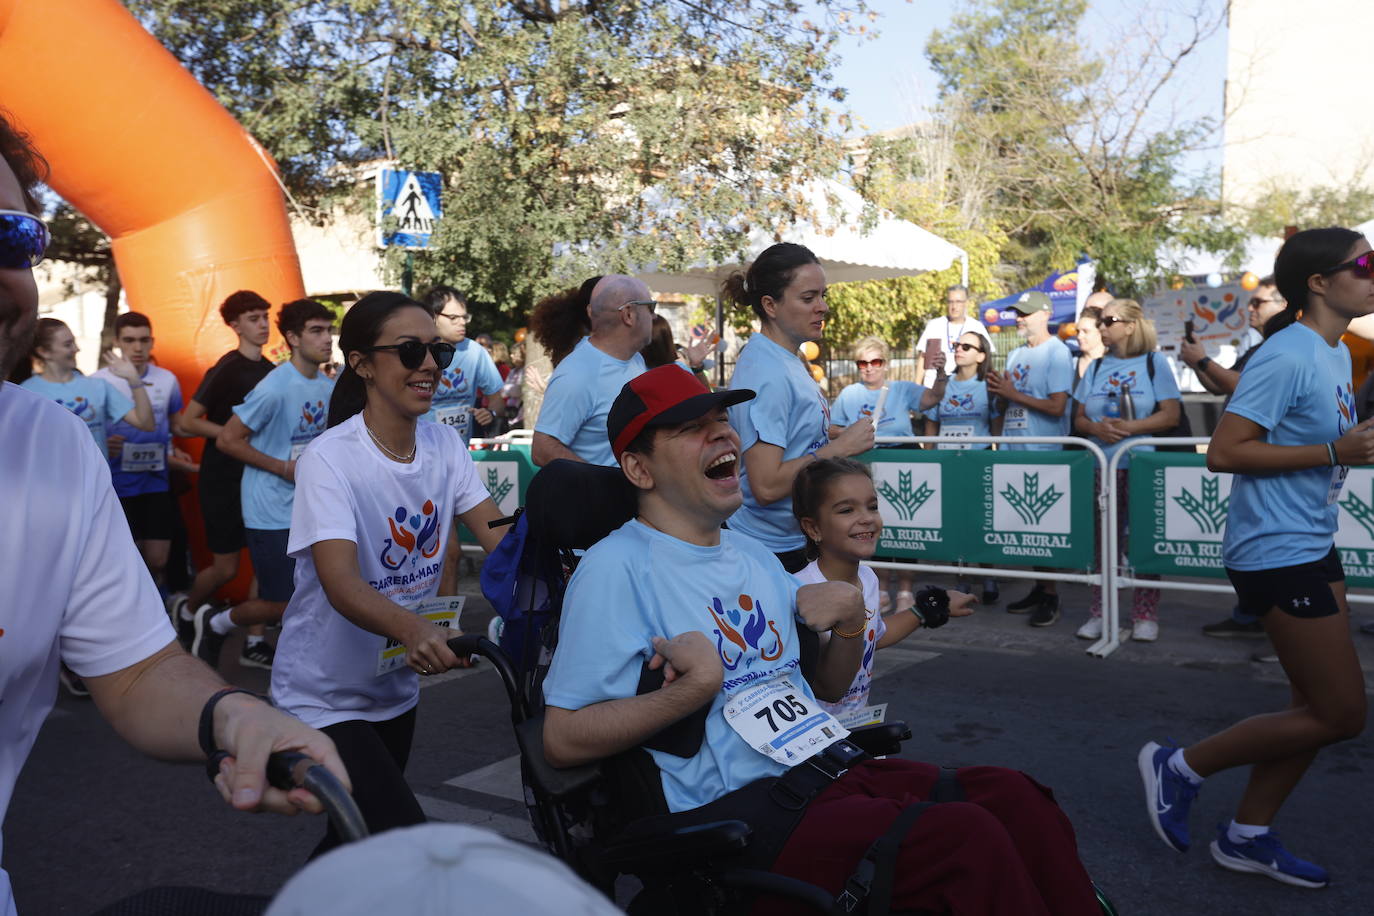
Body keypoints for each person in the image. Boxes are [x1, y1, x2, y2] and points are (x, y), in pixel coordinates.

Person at [541, 365, 1100, 915]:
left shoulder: (756, 557)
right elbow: (562, 740)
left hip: (827, 767)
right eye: (691, 428)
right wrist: (698, 687)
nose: (723, 434)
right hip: (737, 816)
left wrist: (854, 616)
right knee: (963, 839)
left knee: (1017, 797)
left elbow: (827, 682)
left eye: (721, 419)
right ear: (639, 468)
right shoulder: (615, 568)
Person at [0, 108, 349, 916]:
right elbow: (215, 426)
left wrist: (235, 715)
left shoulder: (48, 446)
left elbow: (139, 671)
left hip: (185, 490)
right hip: (244, 496)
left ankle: (209, 625)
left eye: (12, 237)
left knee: (176, 572)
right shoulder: (239, 373)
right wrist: (255, 463)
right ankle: (218, 620)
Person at [1139, 227, 1373, 889]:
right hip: (1276, 552)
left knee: (1312, 713)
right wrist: (1335, 453)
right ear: (1320, 282)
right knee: (1341, 713)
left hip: (1310, 541)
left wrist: (1343, 448)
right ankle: (1179, 767)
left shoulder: (1331, 352)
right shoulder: (1291, 351)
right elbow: (1224, 451)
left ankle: (1247, 835)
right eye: (1365, 264)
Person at [270, 291, 510, 856]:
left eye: (436, 352)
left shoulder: (445, 444)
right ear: (362, 364)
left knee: (354, 841)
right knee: (397, 835)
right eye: (409, 351)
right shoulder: (330, 459)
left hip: (392, 689)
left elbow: (499, 536)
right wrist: (416, 631)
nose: (429, 365)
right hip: (322, 696)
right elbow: (341, 583)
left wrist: (571, 571)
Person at [724, 243, 876, 572]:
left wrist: (832, 434)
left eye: (823, 295)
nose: (822, 307)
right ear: (770, 305)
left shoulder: (783, 358)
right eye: (808, 298)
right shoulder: (768, 372)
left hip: (789, 540)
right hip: (768, 550)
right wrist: (840, 448)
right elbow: (765, 486)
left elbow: (789, 434)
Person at [203, 299, 336, 670]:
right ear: (292, 337)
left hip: (307, 507)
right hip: (269, 509)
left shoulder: (327, 386)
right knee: (286, 602)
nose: (327, 339)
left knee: (317, 592)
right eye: (317, 331)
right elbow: (228, 440)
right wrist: (282, 467)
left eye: (329, 330)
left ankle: (305, 661)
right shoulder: (274, 387)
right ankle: (216, 623)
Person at [790, 457, 975, 721]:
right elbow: (826, 686)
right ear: (813, 527)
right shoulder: (800, 591)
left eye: (872, 506)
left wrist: (932, 606)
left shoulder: (868, 578)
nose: (866, 518)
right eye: (846, 510)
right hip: (815, 740)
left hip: (857, 730)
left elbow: (872, 637)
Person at [1179, 279, 1287, 639]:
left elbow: (1242, 386)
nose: (1251, 308)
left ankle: (1277, 624)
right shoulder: (1259, 347)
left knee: (1270, 543)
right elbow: (1217, 385)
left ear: (1285, 303)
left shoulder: (1283, 348)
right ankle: (1251, 613)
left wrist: (1203, 359)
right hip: (1247, 458)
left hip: (1266, 457)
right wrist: (1198, 363)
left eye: (1258, 301)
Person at [1072, 297, 1181, 642]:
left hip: (1140, 463)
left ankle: (1145, 614)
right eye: (1100, 322)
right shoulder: (1094, 367)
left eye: (1108, 321)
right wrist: (1098, 429)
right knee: (1104, 542)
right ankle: (1101, 611)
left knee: (1141, 538)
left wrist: (1130, 429)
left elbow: (1171, 414)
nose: (1101, 327)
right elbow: (1077, 419)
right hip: (1101, 465)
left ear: (1131, 325)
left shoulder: (1154, 362)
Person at [173, 290, 275, 643]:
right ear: (235, 326)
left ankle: (255, 641)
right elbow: (188, 421)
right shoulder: (227, 367)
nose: (262, 325)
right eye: (253, 319)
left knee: (264, 561)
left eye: (264, 317)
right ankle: (187, 611)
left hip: (260, 478)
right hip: (222, 479)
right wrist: (234, 436)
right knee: (225, 569)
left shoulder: (272, 371)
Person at [829, 334, 943, 608]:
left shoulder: (902, 388)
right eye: (862, 362)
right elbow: (831, 427)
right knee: (871, 523)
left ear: (885, 364)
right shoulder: (849, 394)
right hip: (866, 461)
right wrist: (851, 433)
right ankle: (879, 587)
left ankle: (905, 590)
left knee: (906, 524)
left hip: (903, 456)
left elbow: (932, 398)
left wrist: (940, 372)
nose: (869, 367)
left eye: (875, 361)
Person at [986, 291, 1076, 626]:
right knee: (1027, 527)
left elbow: (1057, 406)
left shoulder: (1058, 352)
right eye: (1017, 313)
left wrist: (1012, 394)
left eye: (1025, 313)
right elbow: (1008, 403)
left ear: (1045, 314)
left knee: (1045, 525)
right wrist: (999, 395)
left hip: (1044, 451)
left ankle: (1051, 594)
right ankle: (1041, 587)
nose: (1019, 318)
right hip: (1014, 449)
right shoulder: (1017, 354)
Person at [94, 312, 196, 592]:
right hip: (115, 484)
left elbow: (175, 425)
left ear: (152, 342)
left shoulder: (167, 379)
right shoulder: (98, 382)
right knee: (124, 558)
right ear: (117, 342)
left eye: (143, 340)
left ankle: (158, 607)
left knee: (158, 559)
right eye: (129, 340)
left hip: (155, 481)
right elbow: (88, 431)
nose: (137, 348)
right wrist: (103, 442)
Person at [531, 274, 651, 467]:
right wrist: (603, 482)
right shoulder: (577, 373)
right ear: (628, 314)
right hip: (604, 497)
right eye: (650, 307)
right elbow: (542, 449)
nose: (654, 316)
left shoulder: (636, 359)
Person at [923, 331, 1002, 603]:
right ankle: (962, 578)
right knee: (955, 522)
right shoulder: (944, 383)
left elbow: (996, 426)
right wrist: (929, 458)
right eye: (957, 345)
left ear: (981, 355)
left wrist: (996, 458)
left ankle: (988, 574)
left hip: (977, 462)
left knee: (980, 520)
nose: (959, 349)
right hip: (947, 464)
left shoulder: (987, 385)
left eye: (967, 346)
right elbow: (932, 421)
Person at [20, 317, 154, 453]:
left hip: (96, 474)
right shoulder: (26, 393)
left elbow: (146, 423)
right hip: (52, 473)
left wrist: (134, 379)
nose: (77, 349)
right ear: (44, 352)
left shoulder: (98, 386)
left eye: (74, 342)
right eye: (68, 344)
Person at [419, 286, 504, 443]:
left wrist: (490, 413)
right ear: (433, 317)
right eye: (453, 318)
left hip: (459, 452)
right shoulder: (416, 351)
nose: (462, 323)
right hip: (418, 450)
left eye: (464, 317)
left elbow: (497, 399)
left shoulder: (475, 352)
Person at [913, 284, 994, 385]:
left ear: (966, 303)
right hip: (933, 386)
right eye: (950, 302)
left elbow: (986, 358)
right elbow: (923, 357)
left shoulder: (976, 326)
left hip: (963, 388)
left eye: (958, 302)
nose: (954, 306)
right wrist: (916, 386)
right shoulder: (934, 325)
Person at [1073, 306, 1106, 380]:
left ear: (1101, 332)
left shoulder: (1114, 364)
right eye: (1078, 331)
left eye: (1085, 331)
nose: (1079, 336)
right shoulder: (1069, 364)